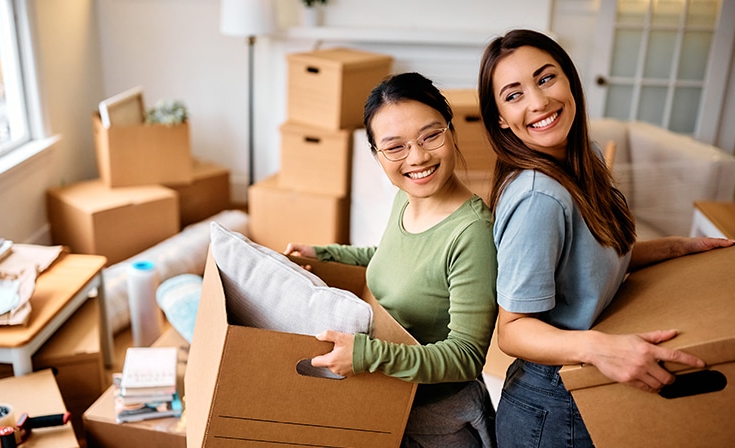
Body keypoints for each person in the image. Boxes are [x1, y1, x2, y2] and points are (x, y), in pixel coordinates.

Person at [477, 29, 735, 447]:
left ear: (570, 80)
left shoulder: (586, 158)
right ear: (500, 119)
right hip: (553, 404)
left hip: (581, 382)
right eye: (514, 94)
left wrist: (676, 248)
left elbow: (586, 265)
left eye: (545, 79)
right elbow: (513, 329)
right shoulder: (537, 198)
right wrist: (601, 349)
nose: (538, 102)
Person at [285, 72, 499, 448]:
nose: (417, 158)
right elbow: (391, 260)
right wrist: (325, 254)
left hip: (439, 423)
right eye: (395, 147)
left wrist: (370, 355)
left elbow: (466, 357)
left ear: (451, 131)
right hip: (389, 404)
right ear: (376, 155)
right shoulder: (408, 196)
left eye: (430, 136)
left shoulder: (472, 233)